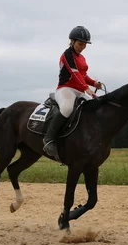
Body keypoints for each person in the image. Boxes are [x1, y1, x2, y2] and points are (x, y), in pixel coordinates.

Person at [43, 25, 102, 161]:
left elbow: (83, 75)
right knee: (67, 108)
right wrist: (87, 88)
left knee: (94, 108)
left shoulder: (82, 58)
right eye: (80, 44)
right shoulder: (67, 55)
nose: (82, 47)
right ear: (72, 41)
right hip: (65, 89)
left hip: (79, 90)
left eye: (85, 45)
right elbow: (74, 73)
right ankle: (48, 139)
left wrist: (93, 83)